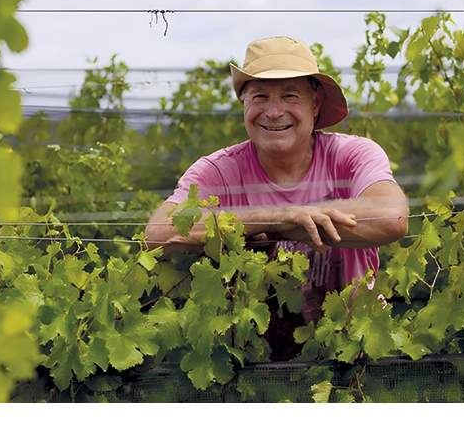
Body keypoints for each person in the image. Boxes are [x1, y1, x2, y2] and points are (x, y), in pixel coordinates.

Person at [145, 36, 408, 357]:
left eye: (289, 95)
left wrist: (289, 222)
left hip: (353, 359)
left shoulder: (351, 154)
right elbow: (158, 234)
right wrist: (272, 218)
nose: (273, 111)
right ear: (244, 104)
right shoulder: (218, 170)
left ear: (315, 104)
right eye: (259, 96)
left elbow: (390, 217)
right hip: (251, 367)